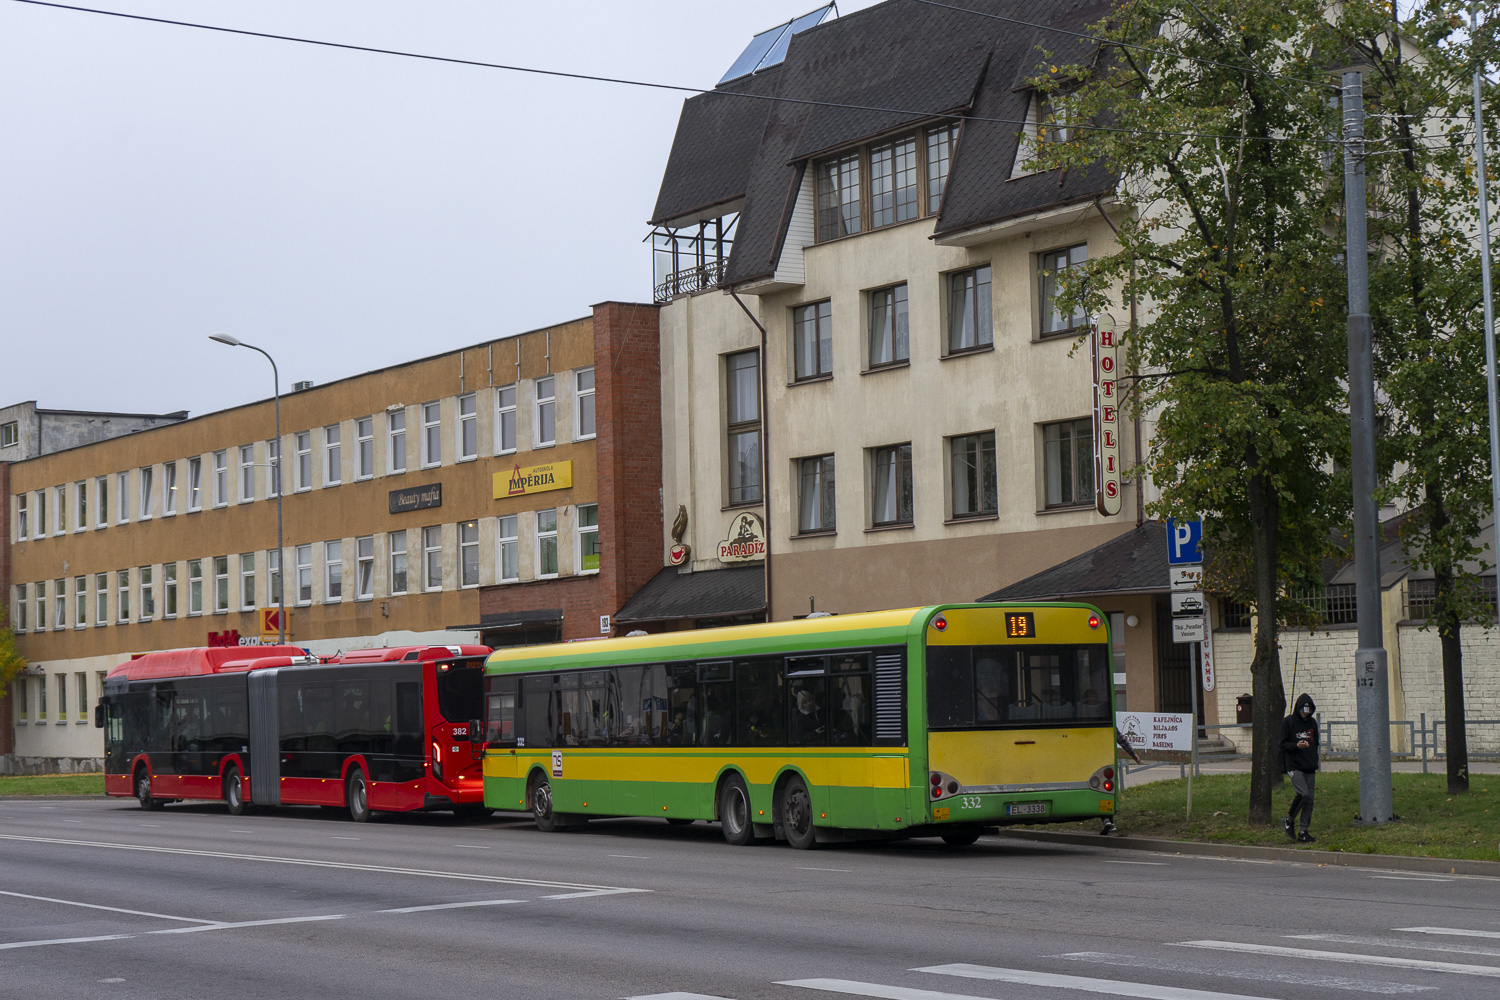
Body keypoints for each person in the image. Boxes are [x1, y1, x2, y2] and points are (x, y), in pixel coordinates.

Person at [1280, 693, 1320, 843]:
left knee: (1309, 799)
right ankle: (1289, 820)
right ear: (1298, 708)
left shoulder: (1312, 723)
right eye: (1303, 710)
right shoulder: (1288, 722)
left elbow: (1315, 742)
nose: (1305, 713)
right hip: (1294, 765)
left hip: (1309, 765)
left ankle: (1303, 831)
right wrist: (1296, 745)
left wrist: (1313, 759)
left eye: (1308, 710)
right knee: (1303, 794)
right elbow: (1282, 744)